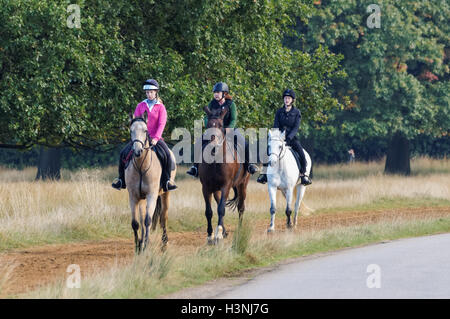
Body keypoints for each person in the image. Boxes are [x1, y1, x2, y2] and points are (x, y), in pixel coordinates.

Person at [112, 79, 177, 192]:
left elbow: (162, 124)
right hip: (140, 139)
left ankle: (167, 181)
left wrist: (156, 138)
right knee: (123, 153)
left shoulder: (161, 107)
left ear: (156, 92)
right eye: (147, 92)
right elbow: (135, 122)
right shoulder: (140, 105)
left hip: (155, 139)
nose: (149, 94)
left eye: (151, 92)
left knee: (166, 154)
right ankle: (121, 180)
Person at [186, 82, 259, 177]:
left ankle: (250, 165)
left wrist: (229, 128)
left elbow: (233, 119)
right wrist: (208, 123)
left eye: (218, 92)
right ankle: (195, 167)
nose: (216, 94)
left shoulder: (231, 104)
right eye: (214, 92)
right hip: (214, 130)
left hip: (229, 129)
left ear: (224, 93)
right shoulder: (212, 104)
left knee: (244, 142)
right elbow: (206, 117)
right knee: (198, 142)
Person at [257, 89, 312, 185]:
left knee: (301, 153)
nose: (287, 100)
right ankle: (264, 174)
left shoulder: (297, 112)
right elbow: (275, 125)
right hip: (279, 138)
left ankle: (303, 175)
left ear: (292, 100)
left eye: (289, 98)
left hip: (291, 138)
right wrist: (275, 137)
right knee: (267, 151)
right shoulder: (279, 111)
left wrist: (289, 137)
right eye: (285, 98)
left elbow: (296, 127)